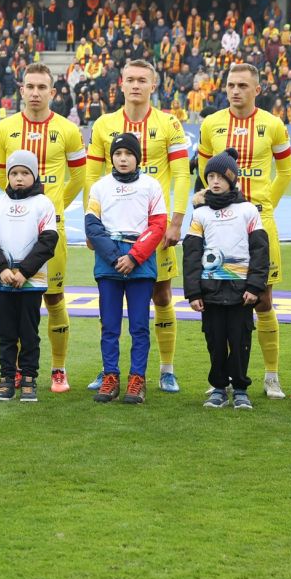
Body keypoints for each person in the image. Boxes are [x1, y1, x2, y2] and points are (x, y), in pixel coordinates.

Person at [84, 59, 191, 393]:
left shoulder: (169, 123)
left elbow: (182, 173)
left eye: (142, 80)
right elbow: (92, 174)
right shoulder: (104, 124)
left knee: (160, 295)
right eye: (130, 79)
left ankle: (166, 369)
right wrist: (91, 224)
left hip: (154, 229)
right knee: (110, 301)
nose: (135, 85)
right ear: (120, 83)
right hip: (114, 225)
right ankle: (110, 370)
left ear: (153, 85)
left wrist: (176, 220)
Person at [196, 63, 291, 399]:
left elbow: (285, 171)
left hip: (260, 222)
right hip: (220, 224)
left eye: (242, 85)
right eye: (231, 85)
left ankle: (270, 376)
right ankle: (220, 378)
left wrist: (266, 203)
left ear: (257, 89)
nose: (235, 91)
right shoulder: (211, 124)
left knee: (263, 299)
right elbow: (203, 168)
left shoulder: (273, 125)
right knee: (219, 300)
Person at [0, 63, 85, 392]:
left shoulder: (68, 130)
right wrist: (20, 207)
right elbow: (0, 176)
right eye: (30, 86)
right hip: (13, 229)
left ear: (52, 92)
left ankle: (58, 369)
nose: (35, 93)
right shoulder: (4, 129)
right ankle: (15, 370)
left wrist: (53, 207)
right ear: (21, 89)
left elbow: (80, 178)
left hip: (50, 231)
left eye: (42, 87)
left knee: (55, 298)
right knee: (13, 299)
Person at [84, 132, 168, 404]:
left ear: (137, 158)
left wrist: (133, 257)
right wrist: (113, 257)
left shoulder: (151, 186)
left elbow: (157, 226)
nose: (122, 159)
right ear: (112, 158)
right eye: (118, 154)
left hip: (140, 264)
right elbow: (93, 227)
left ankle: (137, 379)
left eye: (128, 154)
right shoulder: (100, 187)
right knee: (109, 325)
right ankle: (110, 377)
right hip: (109, 265)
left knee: (139, 326)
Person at [183, 148, 269, 410]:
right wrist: (194, 292)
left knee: (240, 341)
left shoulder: (247, 211)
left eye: (221, 176)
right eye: (210, 177)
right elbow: (192, 254)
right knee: (215, 342)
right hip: (210, 291)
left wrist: (255, 286)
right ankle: (219, 388)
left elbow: (260, 250)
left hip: (241, 292)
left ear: (232, 179)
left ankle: (241, 388)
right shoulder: (200, 213)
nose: (215, 182)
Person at [0, 150, 59, 403]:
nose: (19, 178)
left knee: (29, 333)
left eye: (25, 173)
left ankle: (28, 379)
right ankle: (6, 379)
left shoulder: (43, 204)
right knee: (5, 332)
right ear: (8, 176)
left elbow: (48, 242)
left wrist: (24, 272)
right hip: (2, 282)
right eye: (14, 173)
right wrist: (2, 268)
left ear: (34, 175)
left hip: (31, 283)